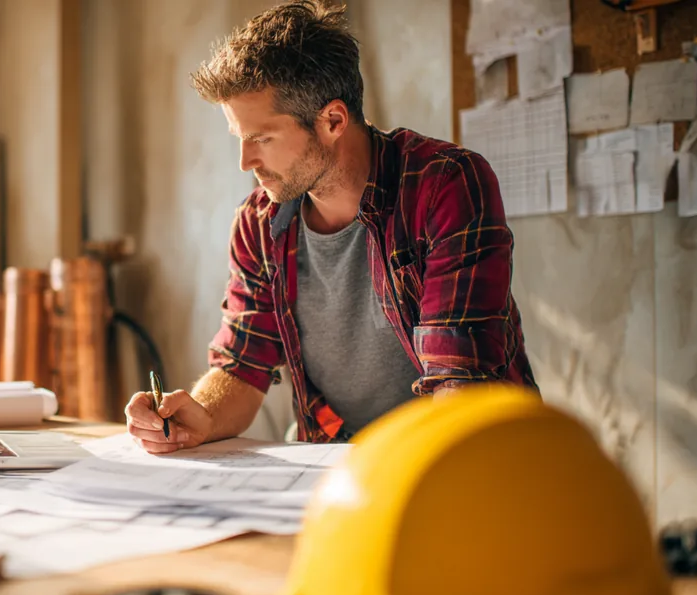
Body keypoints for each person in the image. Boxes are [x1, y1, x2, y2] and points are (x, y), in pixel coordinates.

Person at [124, 0, 537, 453]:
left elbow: (460, 387)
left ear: (333, 121)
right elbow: (241, 366)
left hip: (462, 465)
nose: (246, 162)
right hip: (333, 465)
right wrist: (198, 416)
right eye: (240, 140)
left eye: (261, 138)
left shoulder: (445, 185)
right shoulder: (259, 223)